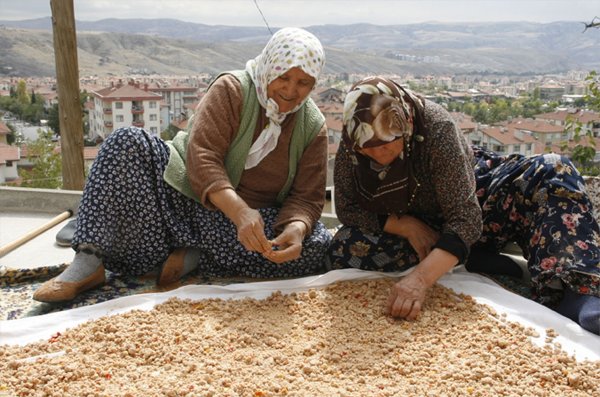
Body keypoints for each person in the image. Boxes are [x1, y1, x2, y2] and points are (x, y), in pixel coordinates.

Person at [34, 27, 331, 302]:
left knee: (315, 245)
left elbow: (307, 196)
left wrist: (296, 226)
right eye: (283, 77)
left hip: (243, 226)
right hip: (184, 198)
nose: (291, 91)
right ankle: (89, 261)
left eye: (303, 82)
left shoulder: (312, 126)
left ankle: (191, 257)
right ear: (269, 68)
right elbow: (202, 156)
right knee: (125, 141)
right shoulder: (233, 90)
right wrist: (239, 211)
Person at [327, 76, 600, 335]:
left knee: (554, 170)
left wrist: (419, 280)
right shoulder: (355, 137)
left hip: (476, 201)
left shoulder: (435, 126)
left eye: (386, 144)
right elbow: (347, 207)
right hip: (418, 223)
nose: (377, 155)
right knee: (346, 246)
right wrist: (404, 225)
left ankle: (577, 293)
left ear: (406, 124)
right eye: (367, 149)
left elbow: (466, 217)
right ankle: (466, 257)